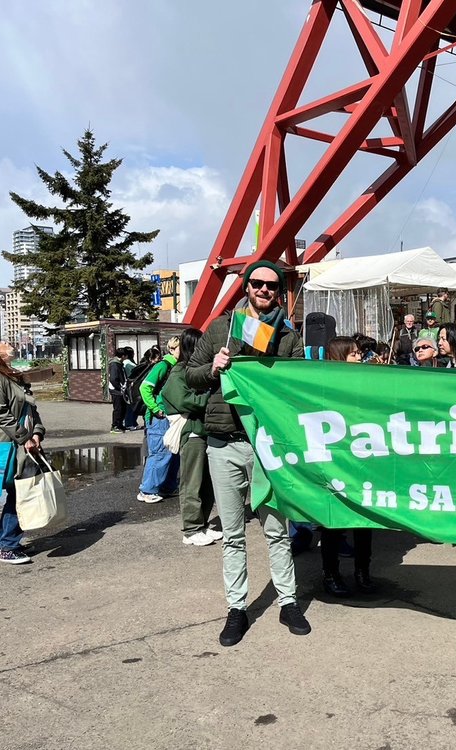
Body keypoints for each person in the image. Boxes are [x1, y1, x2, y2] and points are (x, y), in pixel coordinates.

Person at [186, 259, 312, 646]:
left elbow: (299, 388)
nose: (264, 290)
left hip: (266, 446)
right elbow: (189, 373)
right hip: (223, 442)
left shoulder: (288, 337)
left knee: (276, 529)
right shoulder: (220, 327)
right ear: (246, 287)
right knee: (232, 533)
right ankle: (237, 608)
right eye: (257, 283)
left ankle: (288, 602)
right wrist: (213, 366)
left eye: (271, 286)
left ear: (279, 292)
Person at [0, 336, 46, 565]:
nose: (6, 342)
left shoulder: (8, 375)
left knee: (17, 491)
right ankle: (8, 546)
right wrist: (25, 437)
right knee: (21, 492)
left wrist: (37, 432)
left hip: (21, 442)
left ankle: (2, 541)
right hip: (9, 444)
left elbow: (29, 409)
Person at [317, 336, 376, 597]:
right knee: (334, 523)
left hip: (364, 462)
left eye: (359, 353)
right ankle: (330, 574)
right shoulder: (324, 386)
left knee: (365, 522)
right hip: (336, 463)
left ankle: (363, 572)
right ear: (339, 356)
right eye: (353, 354)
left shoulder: (366, 381)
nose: (359, 357)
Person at [160, 328, 221, 547]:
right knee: (192, 482)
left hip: (203, 431)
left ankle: (202, 524)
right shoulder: (179, 372)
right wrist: (209, 399)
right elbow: (185, 400)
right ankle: (191, 528)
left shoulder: (191, 370)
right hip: (192, 432)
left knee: (206, 483)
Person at [136, 338, 180, 504]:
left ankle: (166, 486)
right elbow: (144, 387)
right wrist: (155, 408)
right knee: (160, 453)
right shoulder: (163, 366)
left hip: (168, 416)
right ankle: (147, 490)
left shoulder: (172, 366)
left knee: (172, 452)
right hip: (159, 417)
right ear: (173, 349)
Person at [121, 348, 142, 430]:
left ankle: (132, 422)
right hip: (131, 387)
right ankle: (130, 423)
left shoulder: (124, 363)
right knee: (131, 405)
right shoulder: (129, 364)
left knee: (129, 405)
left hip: (126, 387)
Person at [107, 349, 126, 433]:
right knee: (118, 408)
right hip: (116, 390)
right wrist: (119, 387)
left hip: (118, 389)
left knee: (122, 408)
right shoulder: (115, 364)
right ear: (123, 356)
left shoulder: (118, 363)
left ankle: (120, 424)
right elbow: (113, 379)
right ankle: (115, 426)